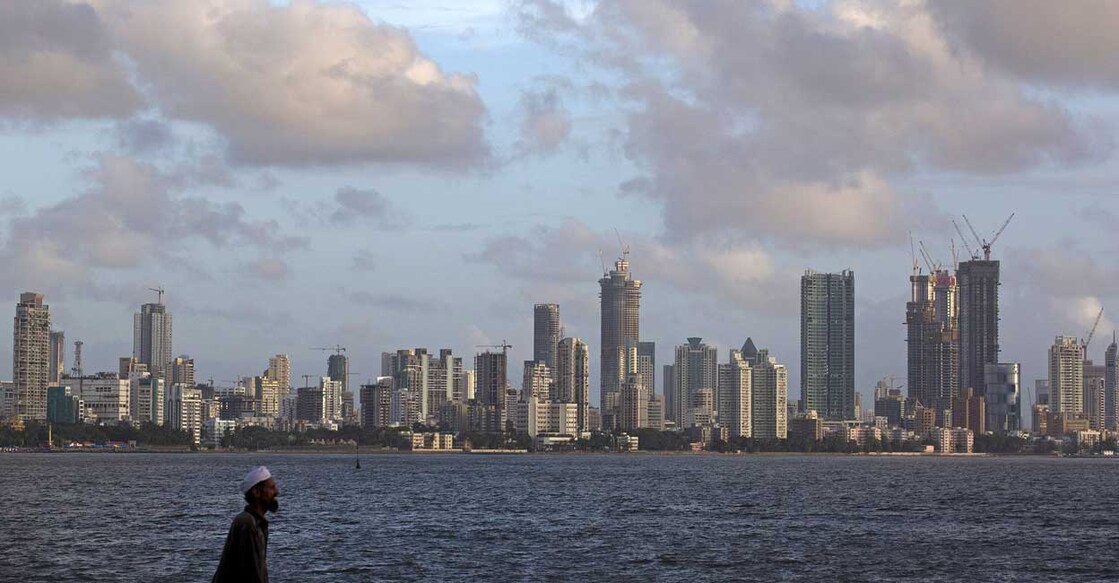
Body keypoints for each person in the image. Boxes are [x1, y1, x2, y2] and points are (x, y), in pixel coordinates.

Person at [212, 466, 279, 583]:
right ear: (257, 492)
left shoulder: (254, 522)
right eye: (272, 488)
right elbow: (252, 573)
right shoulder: (247, 523)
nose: (276, 492)